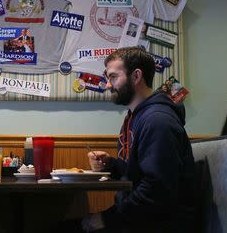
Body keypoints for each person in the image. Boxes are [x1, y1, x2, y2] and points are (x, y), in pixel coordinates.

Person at [83, 47, 195, 233]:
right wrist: (112, 165)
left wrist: (107, 219)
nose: (108, 85)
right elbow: (141, 174)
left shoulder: (158, 121)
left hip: (156, 224)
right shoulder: (137, 117)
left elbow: (157, 191)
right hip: (137, 218)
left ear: (136, 76)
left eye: (113, 77)